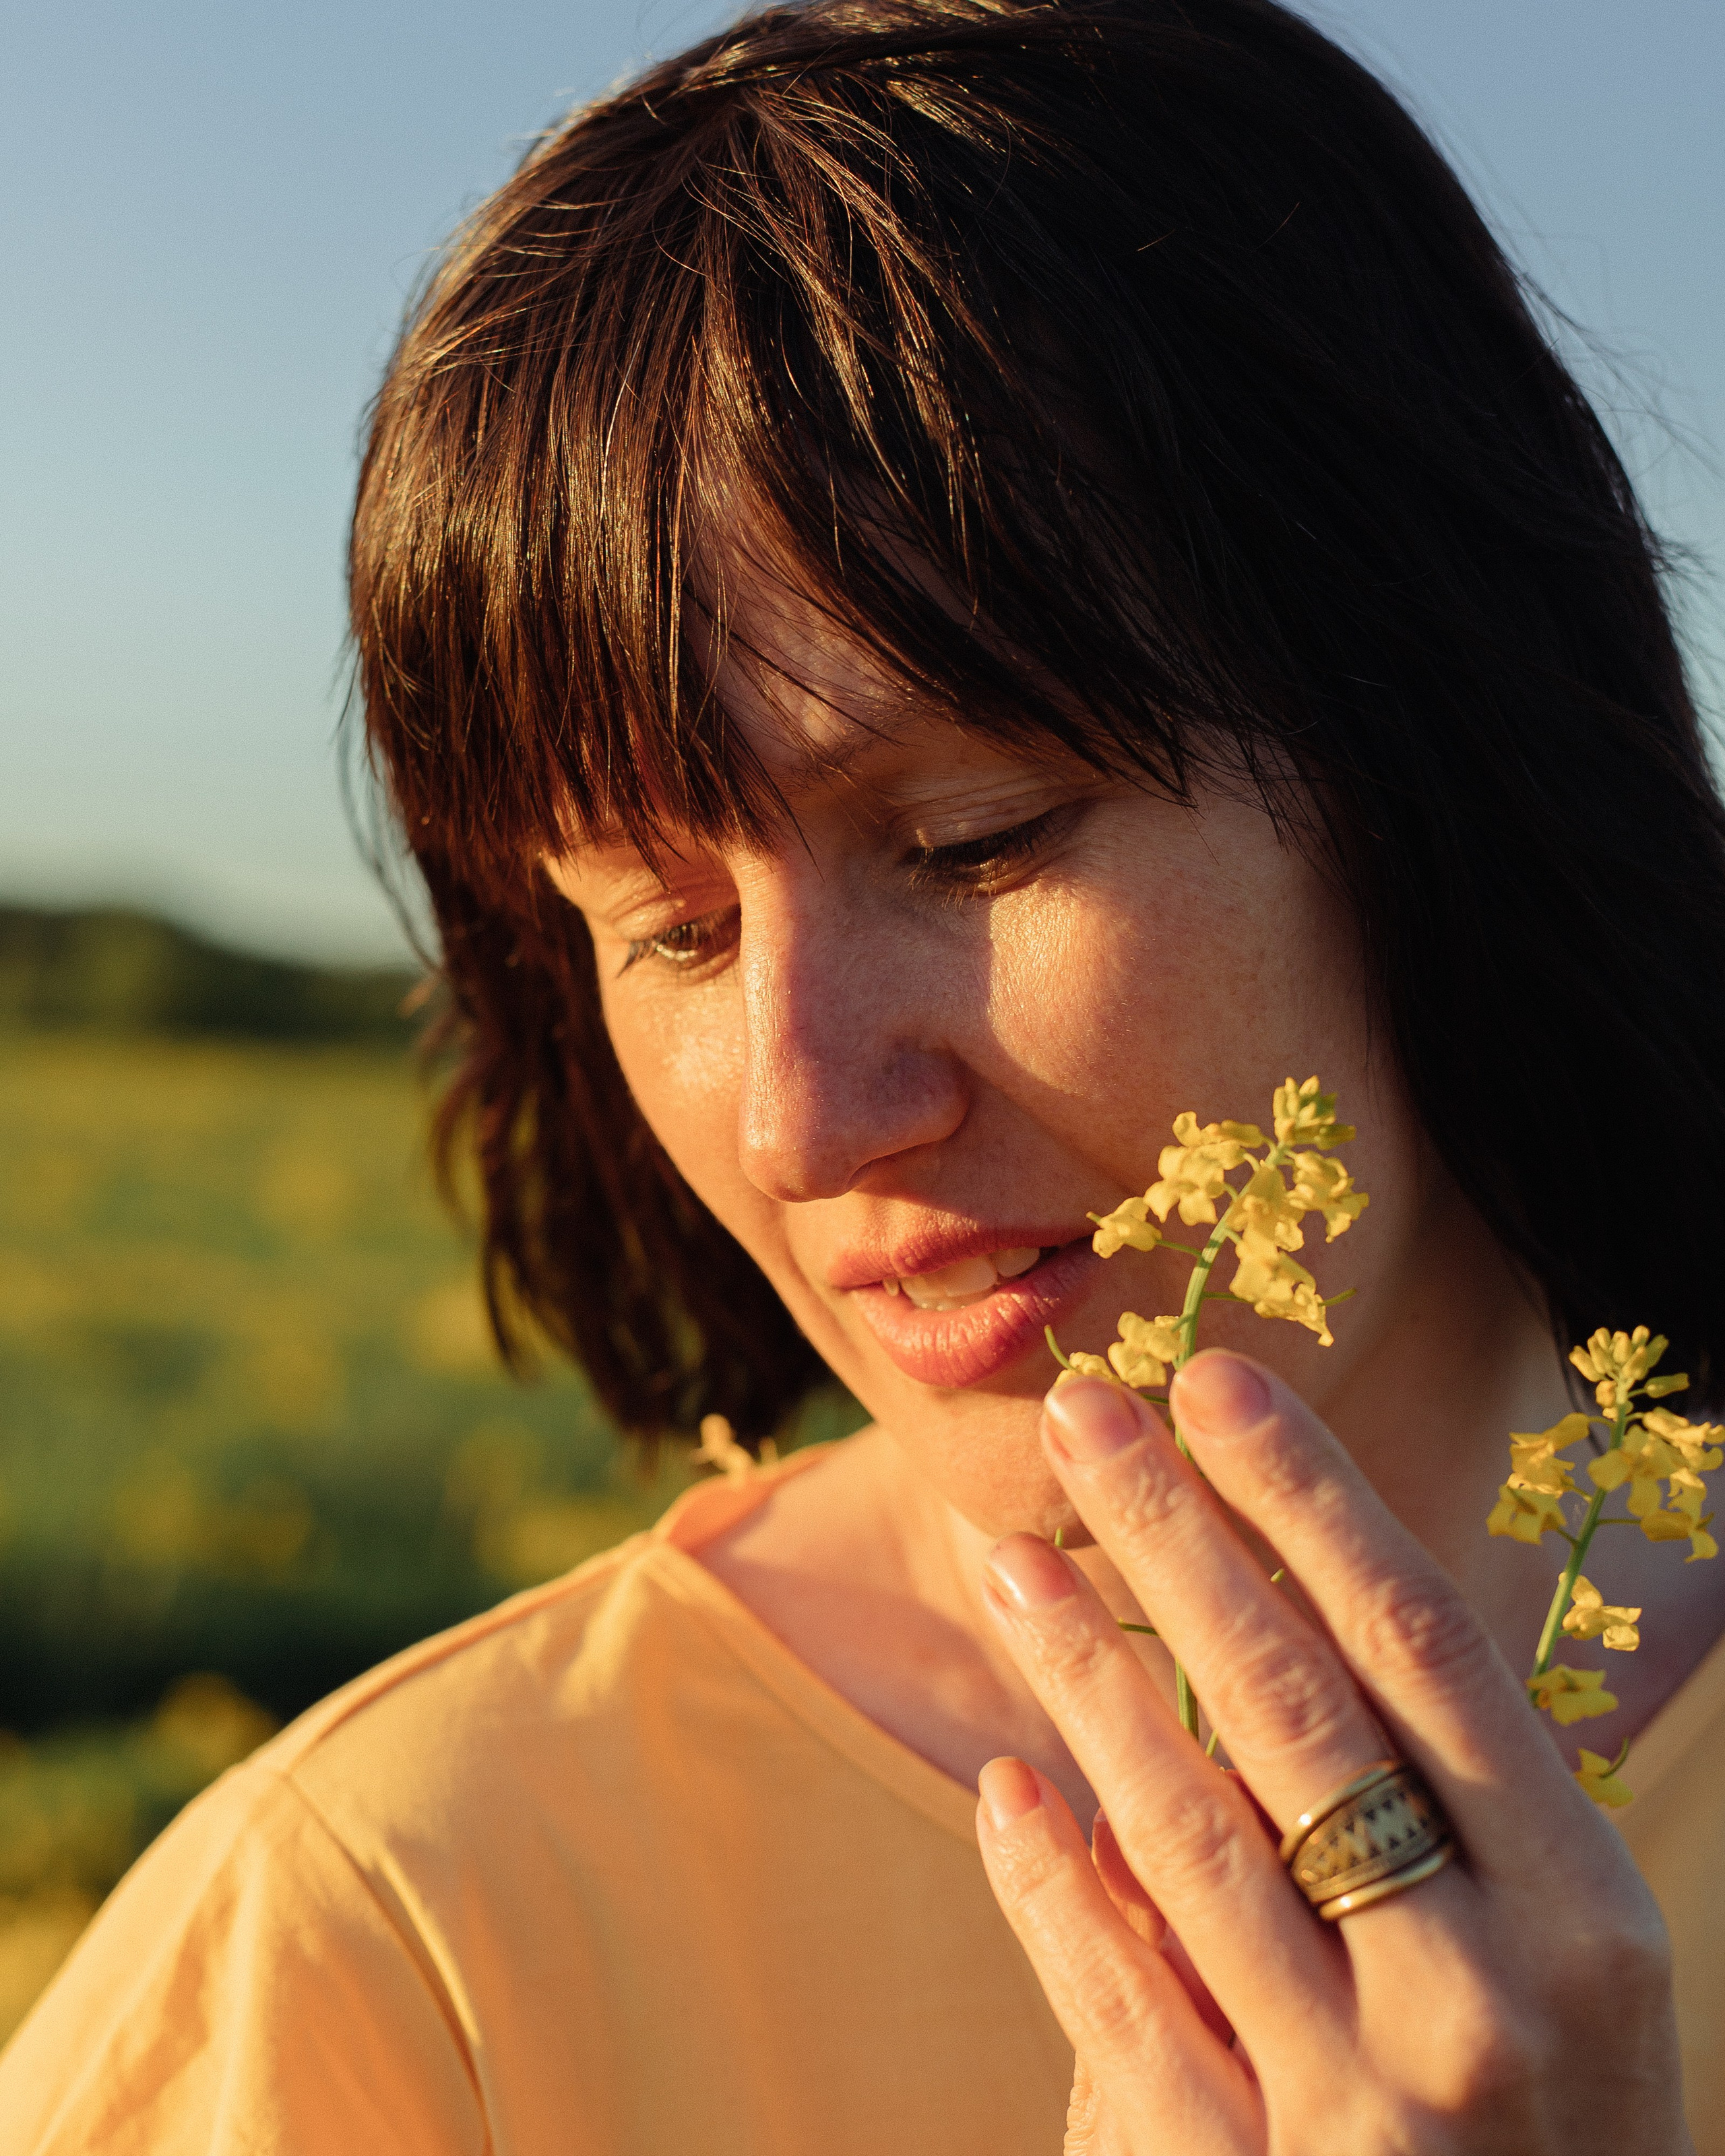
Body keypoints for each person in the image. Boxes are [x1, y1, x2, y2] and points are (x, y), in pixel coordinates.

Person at [5, 1, 1724, 2149]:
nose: (799, 1121)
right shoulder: (376, 1955)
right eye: (670, 930)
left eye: (973, 839)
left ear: (1452, 756)